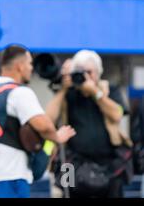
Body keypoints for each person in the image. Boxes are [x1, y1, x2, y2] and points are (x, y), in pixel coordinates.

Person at [0, 45, 76, 198]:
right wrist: (57, 137)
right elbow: (43, 125)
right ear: (20, 66)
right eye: (30, 64)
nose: (32, 69)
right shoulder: (19, 92)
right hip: (11, 175)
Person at [47, 50, 132, 198]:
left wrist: (95, 93)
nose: (85, 76)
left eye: (89, 72)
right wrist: (63, 89)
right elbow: (48, 118)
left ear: (99, 73)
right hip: (73, 163)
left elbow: (117, 115)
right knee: (68, 191)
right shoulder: (69, 92)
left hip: (108, 163)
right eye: (81, 72)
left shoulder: (110, 90)